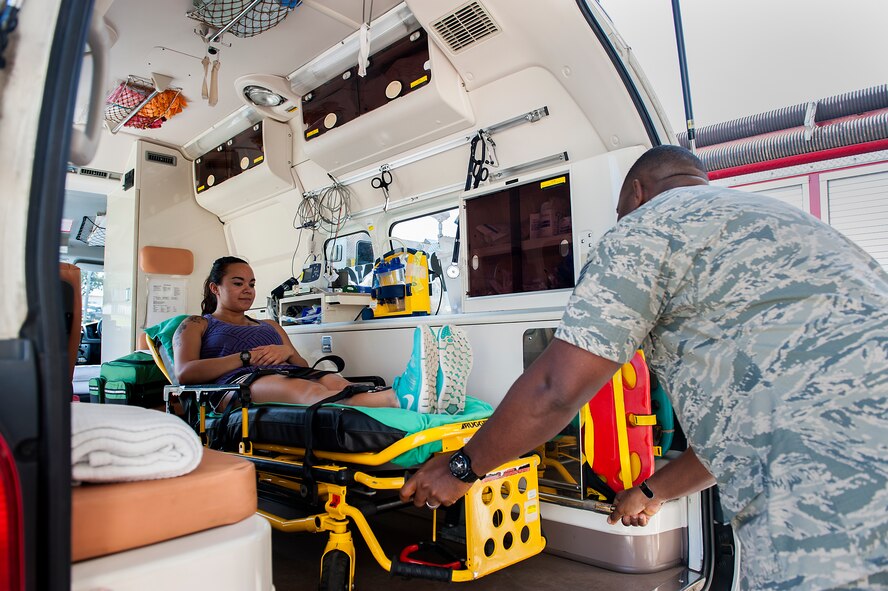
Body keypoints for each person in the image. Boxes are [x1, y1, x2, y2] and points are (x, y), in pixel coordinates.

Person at [400, 146, 888, 590]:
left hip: (828, 496)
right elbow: (735, 436)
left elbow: (555, 388)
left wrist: (463, 467)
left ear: (636, 193)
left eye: (618, 212)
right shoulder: (783, 220)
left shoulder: (645, 226)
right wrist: (649, 491)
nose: (620, 221)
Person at [174, 256, 399, 408]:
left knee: (337, 383)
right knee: (303, 389)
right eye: (237, 283)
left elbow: (301, 366)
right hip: (237, 385)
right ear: (215, 288)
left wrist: (287, 353)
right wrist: (246, 358)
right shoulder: (196, 324)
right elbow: (185, 372)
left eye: (251, 284)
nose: (247, 290)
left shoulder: (270, 325)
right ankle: (394, 399)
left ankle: (395, 399)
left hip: (288, 374)